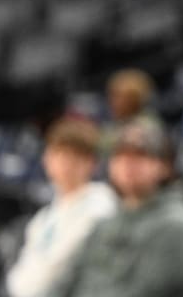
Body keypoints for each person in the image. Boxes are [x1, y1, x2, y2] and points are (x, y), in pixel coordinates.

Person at [53, 121, 183, 297]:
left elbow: (143, 292)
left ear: (165, 167)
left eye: (140, 156)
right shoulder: (105, 222)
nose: (128, 164)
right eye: (120, 155)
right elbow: (65, 280)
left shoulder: (176, 226)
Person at [6, 117, 118, 297]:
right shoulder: (44, 216)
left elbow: (64, 266)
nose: (67, 164)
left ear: (92, 163)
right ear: (46, 159)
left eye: (77, 156)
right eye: (60, 154)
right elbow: (21, 275)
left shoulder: (101, 204)